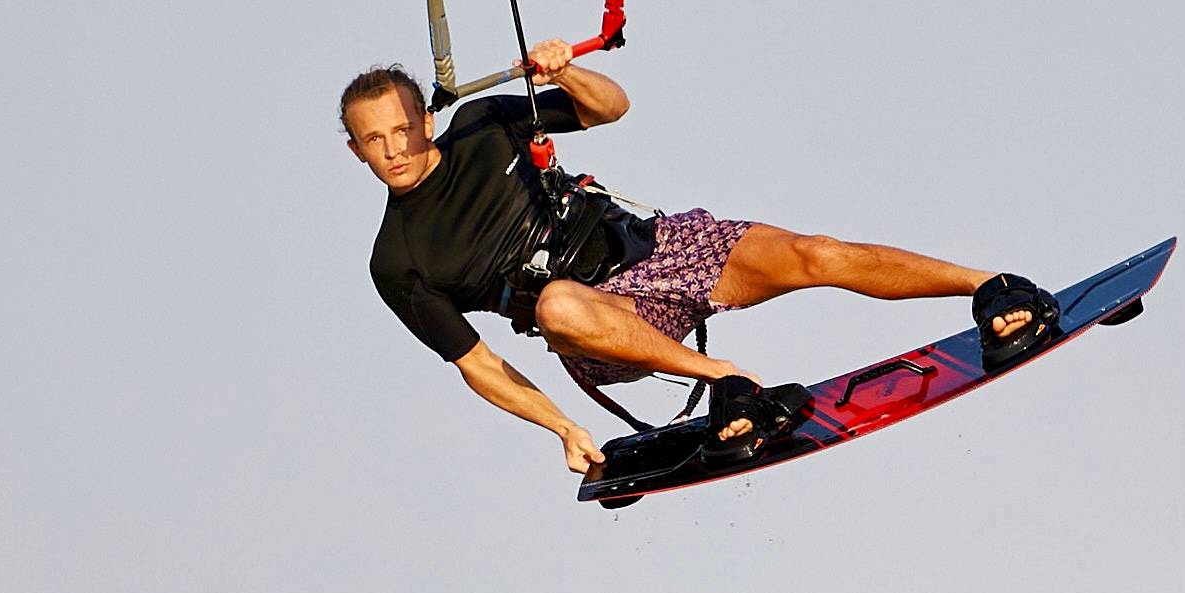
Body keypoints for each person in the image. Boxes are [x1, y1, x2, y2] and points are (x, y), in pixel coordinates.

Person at [342, 44, 1059, 480]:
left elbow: (608, 108)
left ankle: (989, 284)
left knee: (815, 253)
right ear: (356, 150)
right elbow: (479, 367)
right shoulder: (396, 262)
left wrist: (567, 70)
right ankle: (730, 382)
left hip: (658, 248)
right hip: (600, 326)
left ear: (425, 119)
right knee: (557, 304)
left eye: (403, 129)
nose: (395, 149)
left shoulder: (483, 123)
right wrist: (562, 427)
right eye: (374, 141)